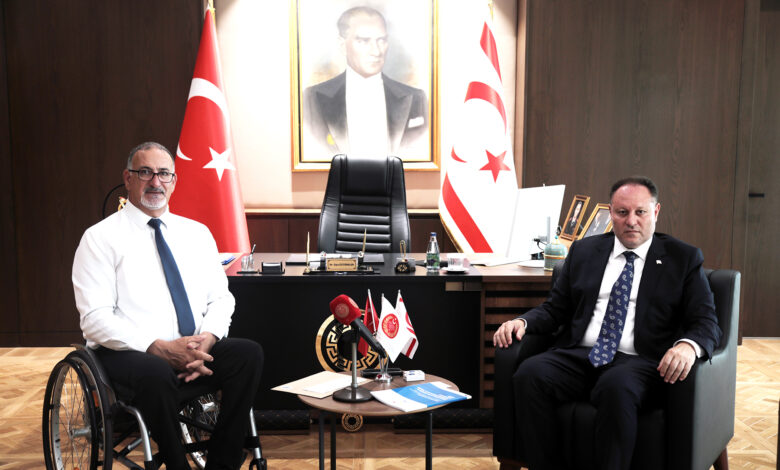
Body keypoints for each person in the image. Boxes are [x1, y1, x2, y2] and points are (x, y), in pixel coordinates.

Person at [493, 176, 721, 470]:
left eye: (640, 212)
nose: (631, 221)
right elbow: (555, 309)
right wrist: (522, 322)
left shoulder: (683, 258)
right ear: (610, 213)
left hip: (640, 361)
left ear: (656, 212)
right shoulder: (584, 251)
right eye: (622, 212)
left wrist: (688, 346)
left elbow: (706, 320)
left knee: (616, 386)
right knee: (530, 374)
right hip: (581, 354)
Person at [72, 142, 263, 470]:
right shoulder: (99, 238)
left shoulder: (197, 233)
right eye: (145, 172)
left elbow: (221, 298)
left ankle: (223, 463)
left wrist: (207, 340)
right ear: (128, 178)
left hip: (194, 351)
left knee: (248, 355)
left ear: (174, 181)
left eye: (164, 174)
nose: (155, 182)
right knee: (157, 372)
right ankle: (177, 465)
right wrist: (157, 348)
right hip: (127, 355)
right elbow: (94, 318)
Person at [302, 6, 428, 159]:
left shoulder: (416, 98)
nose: (376, 51)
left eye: (381, 40)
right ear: (342, 45)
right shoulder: (312, 98)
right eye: (363, 41)